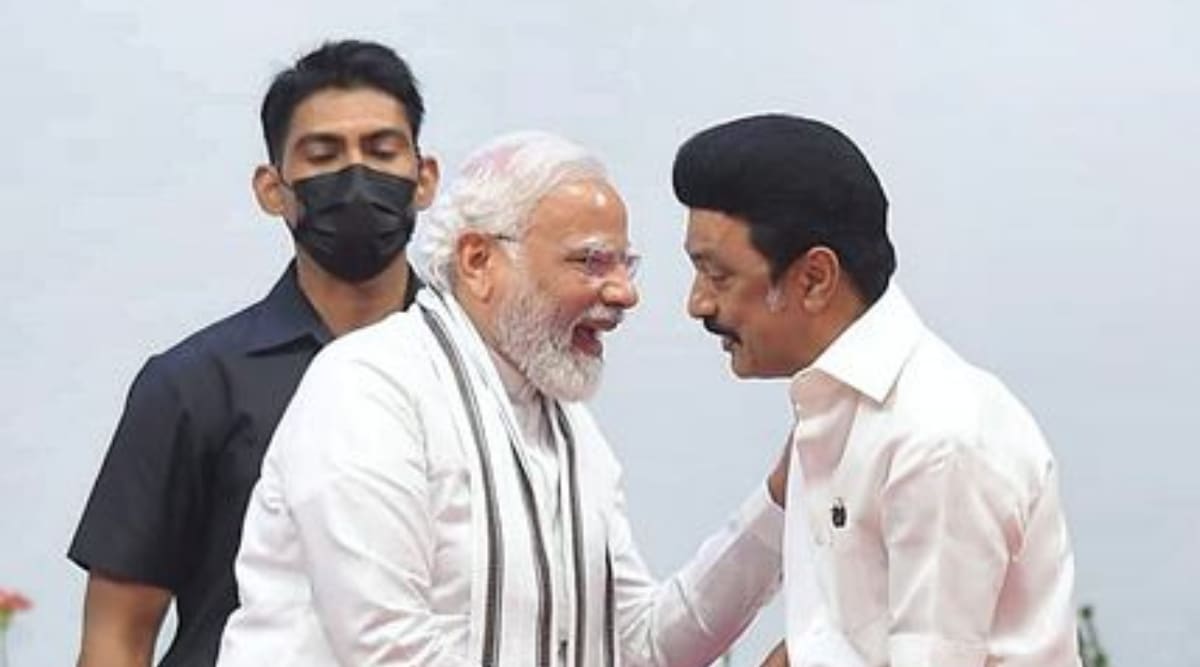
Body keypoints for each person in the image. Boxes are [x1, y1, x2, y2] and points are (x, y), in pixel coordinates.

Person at [217, 130, 785, 667]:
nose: (624, 292)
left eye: (624, 264)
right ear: (478, 261)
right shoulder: (368, 386)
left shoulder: (568, 427)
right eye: (591, 261)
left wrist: (780, 501)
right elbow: (388, 650)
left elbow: (640, 646)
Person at [68, 39, 440, 667]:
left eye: (381, 151)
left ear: (424, 178)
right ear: (273, 188)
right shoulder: (191, 384)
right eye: (322, 155)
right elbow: (118, 634)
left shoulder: (482, 371)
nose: (354, 178)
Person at [672, 113, 1080, 667]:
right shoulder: (832, 415)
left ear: (814, 278)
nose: (698, 304)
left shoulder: (936, 435)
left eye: (717, 276)